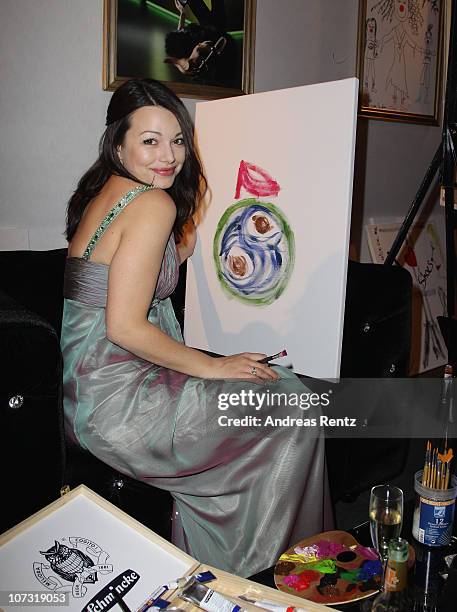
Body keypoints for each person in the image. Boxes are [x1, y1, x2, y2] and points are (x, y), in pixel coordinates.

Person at [62, 78, 332, 577]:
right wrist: (215, 366)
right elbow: (124, 327)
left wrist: (191, 240)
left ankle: (225, 557)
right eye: (150, 141)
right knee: (292, 403)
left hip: (88, 394)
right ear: (118, 143)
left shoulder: (109, 193)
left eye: (178, 140)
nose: (169, 155)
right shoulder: (152, 205)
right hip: (124, 402)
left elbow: (139, 269)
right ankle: (276, 574)